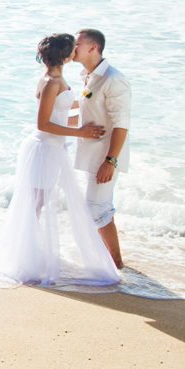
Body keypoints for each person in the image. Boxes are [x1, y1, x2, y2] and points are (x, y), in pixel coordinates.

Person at [0, 33, 121, 286]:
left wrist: (84, 119)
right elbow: (43, 124)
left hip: (53, 149)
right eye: (73, 48)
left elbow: (60, 113)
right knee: (37, 204)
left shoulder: (56, 78)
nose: (76, 51)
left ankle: (27, 253)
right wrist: (80, 133)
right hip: (44, 148)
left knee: (38, 203)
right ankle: (23, 258)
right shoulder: (51, 82)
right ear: (65, 56)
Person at [71, 28, 129, 269]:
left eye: (77, 44)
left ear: (92, 47)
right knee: (102, 206)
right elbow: (85, 113)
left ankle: (115, 263)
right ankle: (109, 258)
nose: (72, 48)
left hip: (106, 156)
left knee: (95, 208)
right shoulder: (88, 76)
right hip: (92, 153)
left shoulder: (113, 79)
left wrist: (111, 160)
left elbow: (122, 124)